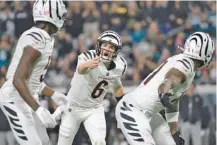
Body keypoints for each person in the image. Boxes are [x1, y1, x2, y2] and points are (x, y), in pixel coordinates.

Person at [115, 32, 215, 145]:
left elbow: (172, 102)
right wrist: (165, 89)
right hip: (133, 110)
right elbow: (172, 77)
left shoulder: (184, 63)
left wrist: (173, 132)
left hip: (151, 114)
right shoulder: (187, 64)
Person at [0, 0, 68, 145]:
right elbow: (18, 79)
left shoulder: (46, 38)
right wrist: (39, 110)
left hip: (26, 96)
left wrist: (54, 94)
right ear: (51, 14)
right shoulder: (36, 37)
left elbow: (33, 80)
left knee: (44, 142)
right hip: (14, 98)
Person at [57, 30, 127, 145]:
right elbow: (81, 70)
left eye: (111, 47)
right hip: (73, 107)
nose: (107, 49)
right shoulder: (87, 56)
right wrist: (87, 65)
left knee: (99, 142)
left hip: (94, 109)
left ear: (116, 51)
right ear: (99, 45)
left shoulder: (120, 65)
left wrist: (123, 105)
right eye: (105, 45)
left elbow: (117, 86)